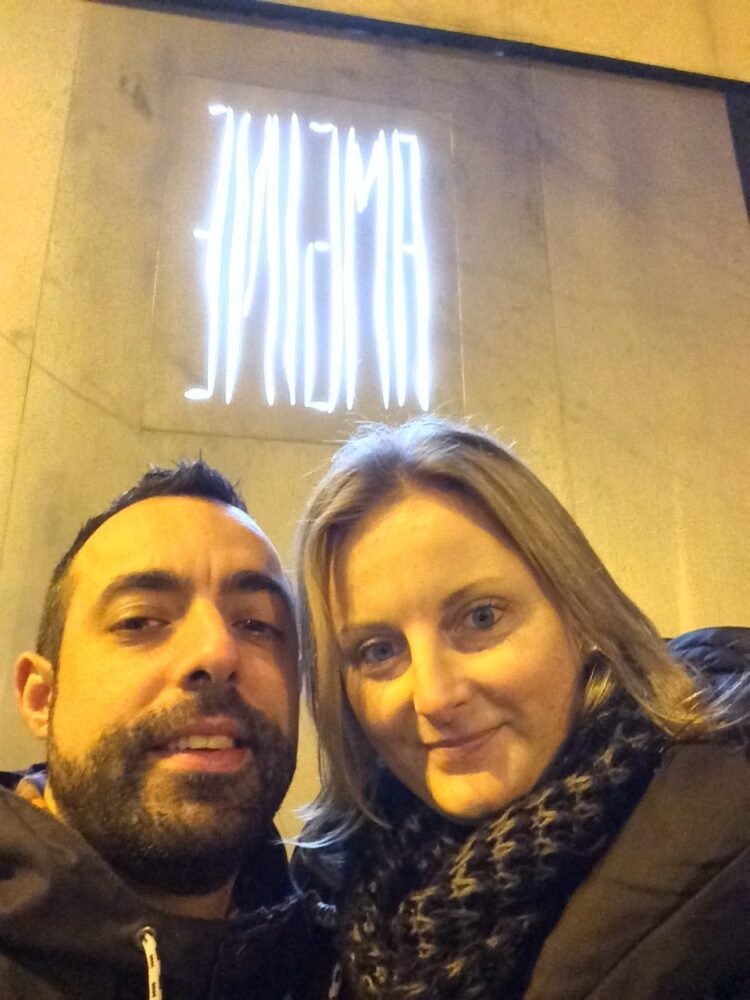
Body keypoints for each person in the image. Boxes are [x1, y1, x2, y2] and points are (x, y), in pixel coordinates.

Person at [293, 416, 750, 1000]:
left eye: (481, 617)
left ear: (580, 611)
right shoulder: (332, 896)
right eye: (379, 651)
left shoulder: (726, 837)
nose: (434, 695)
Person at [2, 460, 333, 1000]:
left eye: (256, 624)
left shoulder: (341, 969)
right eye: (140, 620)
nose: (217, 653)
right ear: (41, 698)